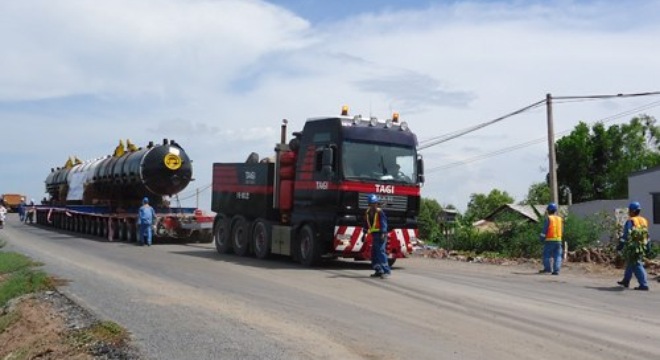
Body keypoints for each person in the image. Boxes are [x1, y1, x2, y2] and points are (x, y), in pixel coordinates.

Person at [616, 201, 650, 291]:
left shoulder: (631, 221)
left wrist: (621, 245)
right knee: (631, 262)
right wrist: (648, 246)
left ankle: (644, 284)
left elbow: (626, 235)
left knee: (637, 264)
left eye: (629, 210)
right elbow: (646, 234)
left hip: (633, 246)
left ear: (632, 211)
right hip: (642, 245)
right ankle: (626, 280)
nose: (629, 212)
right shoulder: (644, 220)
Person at [363, 194, 391, 279]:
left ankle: (386, 271)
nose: (373, 205)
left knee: (381, 252)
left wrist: (383, 233)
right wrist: (364, 233)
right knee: (374, 253)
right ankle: (378, 270)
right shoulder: (367, 212)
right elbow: (366, 223)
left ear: (377, 203)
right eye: (371, 204)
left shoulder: (380, 212)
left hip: (381, 234)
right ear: (369, 204)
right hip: (374, 235)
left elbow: (383, 223)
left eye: (375, 203)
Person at [539, 202, 563, 275]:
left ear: (548, 210)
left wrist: (541, 238)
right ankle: (556, 270)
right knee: (558, 256)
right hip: (559, 240)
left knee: (546, 255)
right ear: (555, 210)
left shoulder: (549, 218)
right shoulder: (560, 219)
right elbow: (562, 230)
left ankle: (548, 269)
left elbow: (544, 229)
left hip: (550, 240)